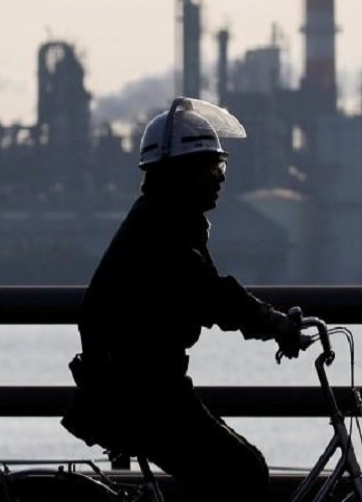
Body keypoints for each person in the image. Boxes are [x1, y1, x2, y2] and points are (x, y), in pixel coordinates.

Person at [61, 96, 303, 502]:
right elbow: (212, 293)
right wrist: (275, 323)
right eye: (212, 167)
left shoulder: (163, 218)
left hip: (142, 389)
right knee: (245, 472)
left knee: (230, 472)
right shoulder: (162, 230)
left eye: (221, 166)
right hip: (147, 396)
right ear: (180, 173)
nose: (220, 178)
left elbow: (209, 291)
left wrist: (266, 320)